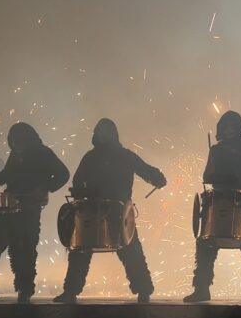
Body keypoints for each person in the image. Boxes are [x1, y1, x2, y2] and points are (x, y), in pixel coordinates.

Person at [54, 118, 166, 304]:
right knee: (80, 250)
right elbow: (77, 181)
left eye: (104, 132)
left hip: (118, 211)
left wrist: (157, 178)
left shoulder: (122, 156)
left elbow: (145, 170)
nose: (102, 135)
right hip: (93, 209)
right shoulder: (92, 157)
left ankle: (144, 290)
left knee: (130, 250)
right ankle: (70, 291)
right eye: (100, 131)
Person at [0, 123, 69, 304]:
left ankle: (24, 289)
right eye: (12, 140)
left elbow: (63, 174)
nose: (14, 142)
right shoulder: (16, 154)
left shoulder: (43, 153)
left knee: (25, 248)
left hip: (29, 208)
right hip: (8, 206)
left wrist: (44, 187)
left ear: (27, 138)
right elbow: (6, 178)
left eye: (18, 139)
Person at [183, 111, 241, 304]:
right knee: (205, 244)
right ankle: (201, 290)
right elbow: (206, 176)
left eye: (232, 126)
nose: (229, 130)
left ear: (238, 128)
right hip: (218, 199)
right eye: (225, 127)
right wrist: (215, 177)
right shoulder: (216, 150)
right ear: (221, 130)